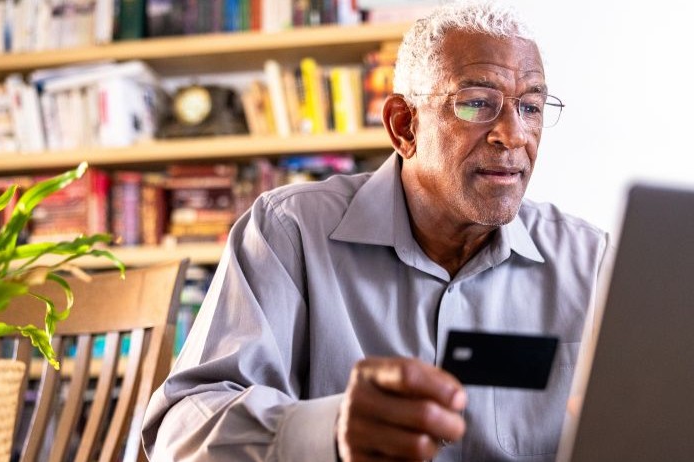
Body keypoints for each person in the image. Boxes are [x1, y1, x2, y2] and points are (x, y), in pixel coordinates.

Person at [142, 1, 613, 460]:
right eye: (476, 104)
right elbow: (182, 430)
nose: (512, 135)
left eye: (530, 107)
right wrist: (326, 431)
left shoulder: (589, 261)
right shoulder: (290, 231)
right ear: (404, 126)